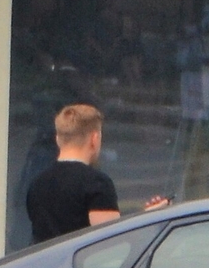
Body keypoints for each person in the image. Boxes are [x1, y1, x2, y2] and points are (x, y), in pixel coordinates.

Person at [22, 104, 168, 243]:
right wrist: (149, 218)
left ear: (58, 139)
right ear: (94, 138)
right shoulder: (96, 183)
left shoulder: (37, 184)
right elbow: (112, 239)